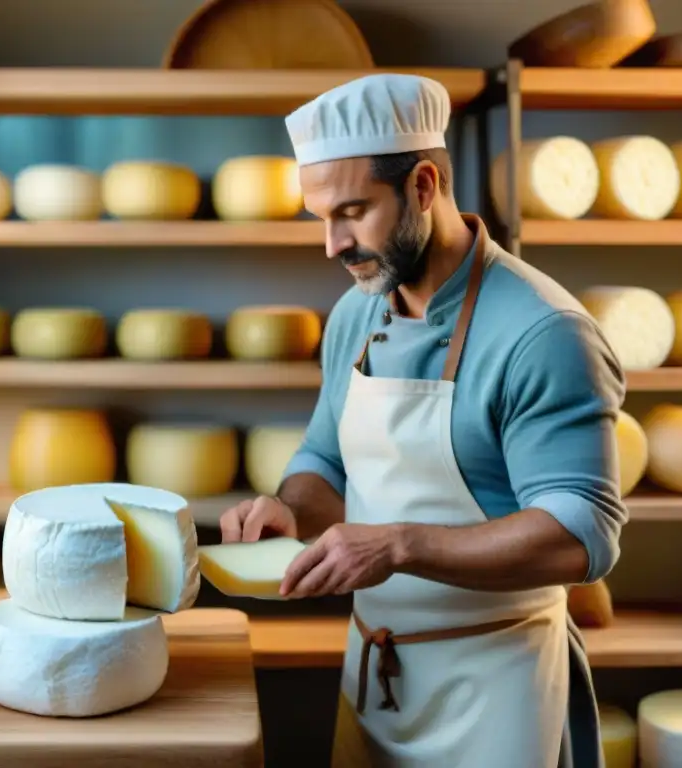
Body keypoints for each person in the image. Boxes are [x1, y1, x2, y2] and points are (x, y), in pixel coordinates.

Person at [218, 73, 626, 768]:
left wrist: (400, 545)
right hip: (377, 680)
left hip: (498, 694)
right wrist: (289, 511)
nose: (331, 244)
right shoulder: (355, 313)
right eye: (319, 217)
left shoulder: (543, 331)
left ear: (425, 186)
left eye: (352, 211)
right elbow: (326, 460)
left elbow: (582, 535)